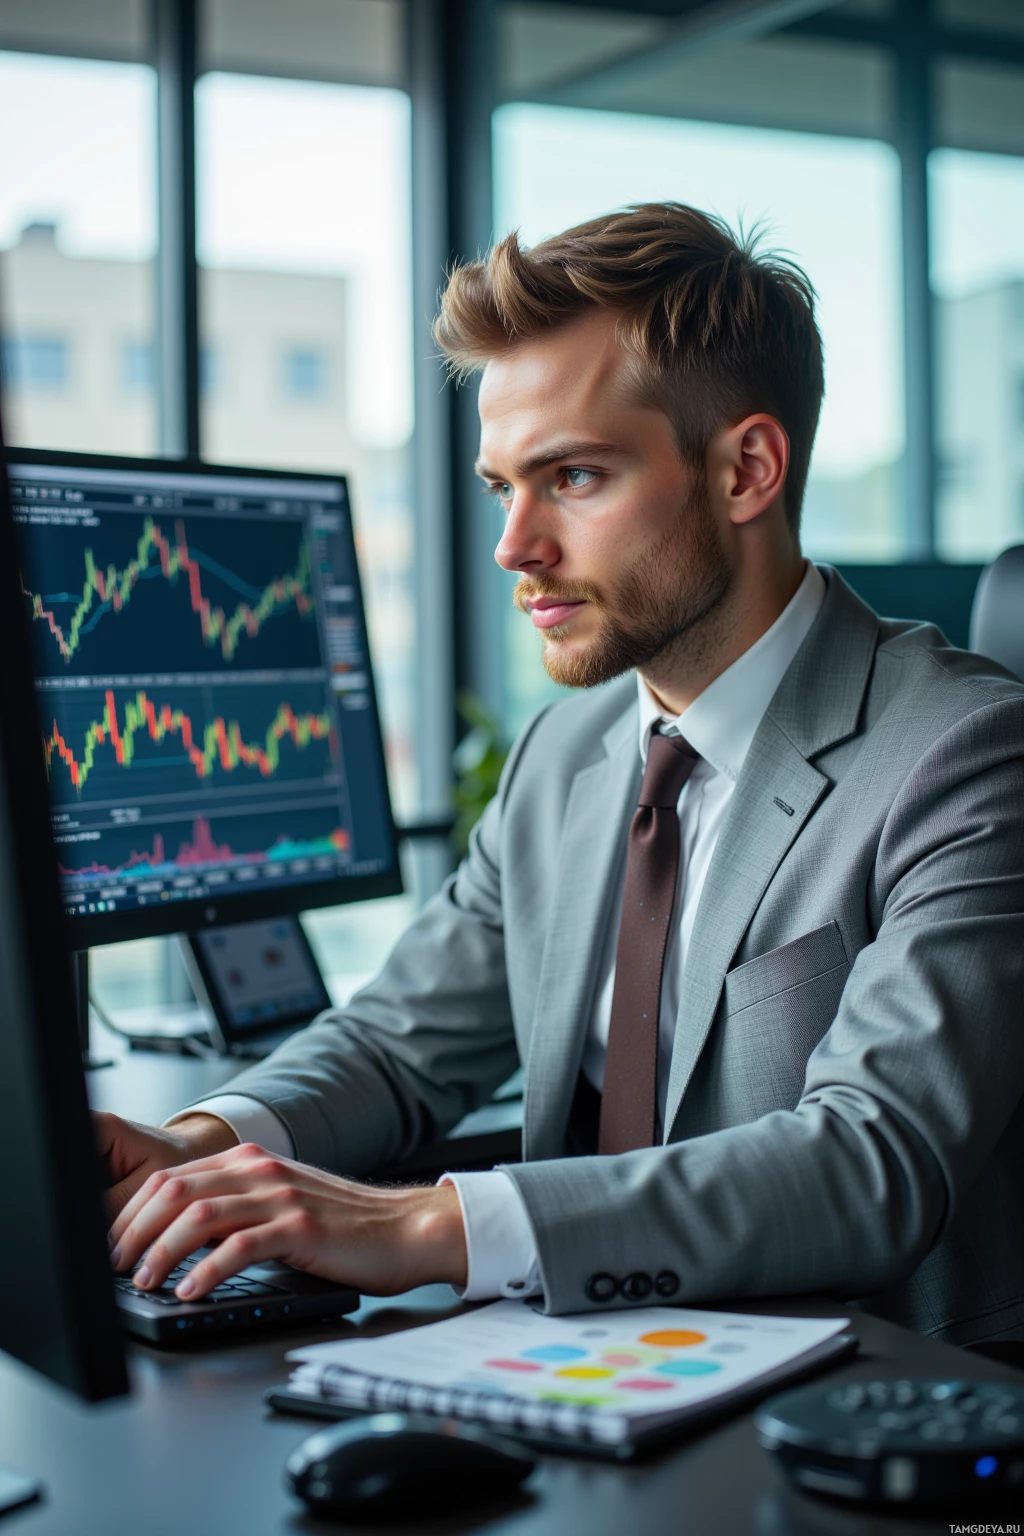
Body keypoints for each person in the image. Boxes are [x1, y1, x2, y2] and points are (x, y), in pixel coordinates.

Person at [101, 203, 1024, 1346]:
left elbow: (868, 1160)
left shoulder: (967, 753)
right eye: (501, 486)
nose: (513, 544)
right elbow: (401, 1043)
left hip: (861, 1414)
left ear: (745, 469)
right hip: (584, 1373)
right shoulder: (564, 757)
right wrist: (201, 1142)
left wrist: (426, 1229)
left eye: (572, 477)